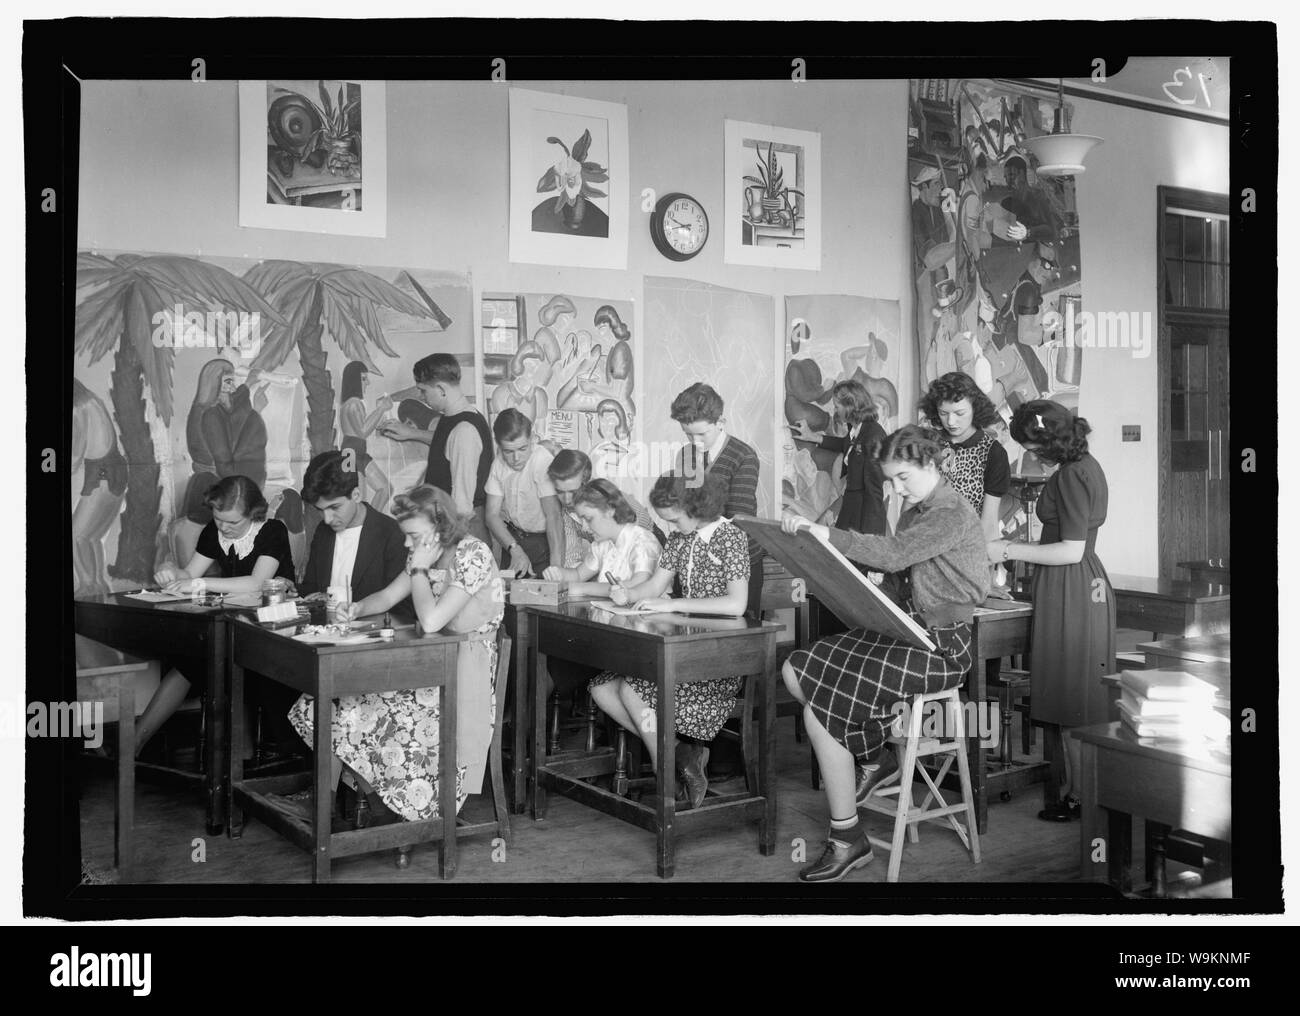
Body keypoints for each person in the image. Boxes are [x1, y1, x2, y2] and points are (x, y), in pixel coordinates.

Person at [780, 425, 989, 882]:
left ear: (932, 465)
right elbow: (902, 575)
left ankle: (846, 838)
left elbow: (895, 555)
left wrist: (826, 534)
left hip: (943, 647)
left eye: (903, 478)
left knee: (822, 712)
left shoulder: (950, 513)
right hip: (910, 632)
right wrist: (868, 586)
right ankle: (876, 756)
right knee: (797, 669)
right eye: (890, 479)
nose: (895, 489)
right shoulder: (920, 510)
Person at [287, 486, 504, 825]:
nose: (406, 544)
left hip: (463, 673)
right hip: (431, 664)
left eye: (412, 535)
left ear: (440, 525)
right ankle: (329, 803)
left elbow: (432, 621)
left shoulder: (471, 553)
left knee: (353, 703)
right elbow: (388, 597)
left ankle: (383, 802)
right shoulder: (423, 552)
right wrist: (358, 607)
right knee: (329, 698)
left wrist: (419, 570)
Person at [589, 472, 750, 810]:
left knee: (632, 690)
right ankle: (681, 756)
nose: (670, 524)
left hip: (717, 660)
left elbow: (736, 605)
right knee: (602, 688)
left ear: (696, 506)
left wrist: (674, 603)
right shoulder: (680, 540)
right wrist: (627, 593)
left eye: (674, 517)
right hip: (682, 653)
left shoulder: (730, 537)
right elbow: (651, 587)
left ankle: (667, 779)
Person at [987, 400, 1114, 822]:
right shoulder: (1081, 466)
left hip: (1072, 586)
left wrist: (1005, 548)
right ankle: (1081, 792)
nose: (1031, 454)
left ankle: (1083, 797)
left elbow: (1071, 550)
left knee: (1075, 701)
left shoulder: (1074, 475)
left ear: (1048, 441)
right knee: (1071, 698)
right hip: (1072, 585)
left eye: (1031, 446)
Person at [139, 475, 295, 754]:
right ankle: (134, 745)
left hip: (276, 636)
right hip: (237, 630)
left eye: (233, 522)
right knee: (188, 664)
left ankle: (242, 761)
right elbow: (189, 574)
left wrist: (200, 584)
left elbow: (256, 583)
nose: (224, 527)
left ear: (253, 513)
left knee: (206, 667)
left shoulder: (273, 531)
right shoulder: (214, 531)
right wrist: (171, 573)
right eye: (218, 519)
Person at [541, 478, 661, 699]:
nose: (585, 528)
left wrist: (577, 588)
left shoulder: (642, 541)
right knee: (551, 656)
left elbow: (637, 586)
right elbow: (578, 574)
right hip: (610, 633)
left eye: (588, 519)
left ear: (609, 510)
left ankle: (530, 727)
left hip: (640, 639)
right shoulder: (602, 544)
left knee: (558, 662)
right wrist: (559, 574)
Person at [670, 382, 763, 617]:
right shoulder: (686, 454)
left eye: (701, 433)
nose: (695, 441)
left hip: (737, 562)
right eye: (688, 434)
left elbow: (738, 519)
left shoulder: (743, 456)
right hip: (697, 557)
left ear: (720, 423)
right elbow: (687, 507)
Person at [379, 353, 492, 543]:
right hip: (450, 525)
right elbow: (447, 444)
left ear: (441, 388)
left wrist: (448, 547)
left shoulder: (464, 429)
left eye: (423, 391)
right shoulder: (456, 418)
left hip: (462, 532)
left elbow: (462, 505)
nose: (422, 397)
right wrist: (412, 433)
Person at [297, 450, 410, 618]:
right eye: (321, 510)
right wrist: (296, 591)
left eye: (334, 508)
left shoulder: (392, 534)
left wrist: (349, 608)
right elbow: (311, 589)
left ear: (356, 495)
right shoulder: (323, 531)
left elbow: (400, 608)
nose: (327, 519)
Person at [789, 378, 888, 538]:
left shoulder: (873, 435)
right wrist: (813, 437)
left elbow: (874, 487)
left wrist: (870, 531)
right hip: (851, 502)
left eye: (837, 406)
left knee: (853, 556)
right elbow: (847, 445)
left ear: (850, 405)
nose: (835, 410)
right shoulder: (856, 429)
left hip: (864, 512)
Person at [919, 371, 1010, 539]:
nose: (951, 422)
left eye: (959, 413)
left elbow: (988, 522)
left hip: (965, 548)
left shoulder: (993, 453)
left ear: (975, 408)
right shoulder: (928, 444)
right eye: (943, 413)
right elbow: (910, 505)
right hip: (923, 542)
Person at [484, 408, 563, 577]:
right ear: (498, 445)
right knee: (507, 599)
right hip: (512, 539)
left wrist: (556, 569)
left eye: (522, 449)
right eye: (508, 451)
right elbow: (491, 515)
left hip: (545, 542)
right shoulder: (498, 464)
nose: (516, 458)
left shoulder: (542, 460)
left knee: (542, 599)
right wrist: (514, 548)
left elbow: (553, 517)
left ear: (532, 439)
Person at [547, 449, 657, 568]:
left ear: (586, 482)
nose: (567, 500)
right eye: (560, 492)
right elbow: (571, 556)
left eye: (573, 492)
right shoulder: (565, 513)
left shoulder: (607, 498)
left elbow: (637, 541)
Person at [338, 360, 394, 512]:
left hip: (358, 453)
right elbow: (362, 431)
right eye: (363, 379)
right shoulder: (353, 404)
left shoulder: (354, 403)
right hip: (351, 454)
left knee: (385, 489)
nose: (367, 383)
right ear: (354, 381)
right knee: (358, 500)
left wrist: (380, 414)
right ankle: (365, 527)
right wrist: (381, 409)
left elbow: (363, 429)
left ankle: (371, 522)